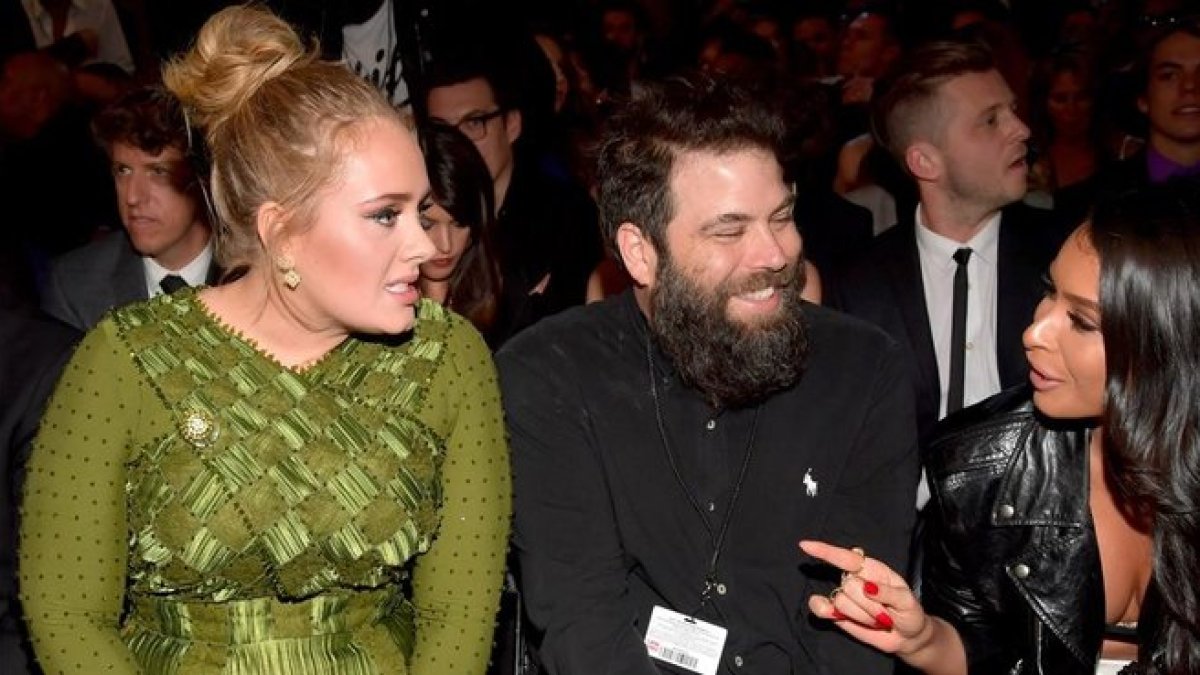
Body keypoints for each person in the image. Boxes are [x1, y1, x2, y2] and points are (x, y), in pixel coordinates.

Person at [19, 6, 510, 674]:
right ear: (281, 231)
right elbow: (68, 615)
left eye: (419, 211)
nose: (424, 246)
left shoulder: (447, 359)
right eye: (384, 216)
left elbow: (458, 623)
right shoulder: (125, 361)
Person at [499, 72, 918, 675]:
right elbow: (582, 625)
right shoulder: (551, 375)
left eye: (781, 217)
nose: (775, 254)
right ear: (641, 253)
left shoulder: (864, 370)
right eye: (730, 230)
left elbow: (854, 634)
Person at [802, 181, 1200, 674]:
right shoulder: (979, 465)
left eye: (1081, 321)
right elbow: (977, 651)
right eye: (1049, 290)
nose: (1034, 332)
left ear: (1169, 341)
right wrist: (922, 639)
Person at [831, 39, 1068, 448]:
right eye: (990, 120)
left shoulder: (1067, 256)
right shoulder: (857, 286)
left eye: (1012, 110)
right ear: (925, 161)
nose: (1021, 129)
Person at [41, 85, 218, 331]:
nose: (133, 196)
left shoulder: (258, 273)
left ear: (203, 179)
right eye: (123, 171)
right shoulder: (75, 286)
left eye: (158, 172)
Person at [417, 121, 502, 342]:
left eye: (459, 224)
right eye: (427, 225)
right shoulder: (370, 310)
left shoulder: (508, 300)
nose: (445, 245)